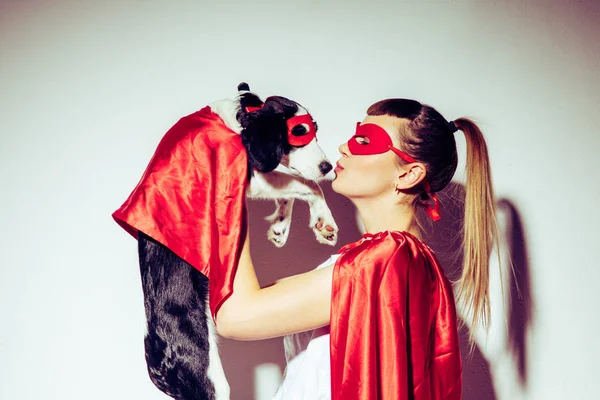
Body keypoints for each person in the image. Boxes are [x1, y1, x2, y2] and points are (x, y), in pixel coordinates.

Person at [216, 98, 500, 400]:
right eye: (354, 136)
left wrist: (228, 185)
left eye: (364, 141)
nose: (344, 147)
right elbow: (254, 303)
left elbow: (237, 317)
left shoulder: (381, 261)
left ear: (408, 174)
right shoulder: (394, 261)